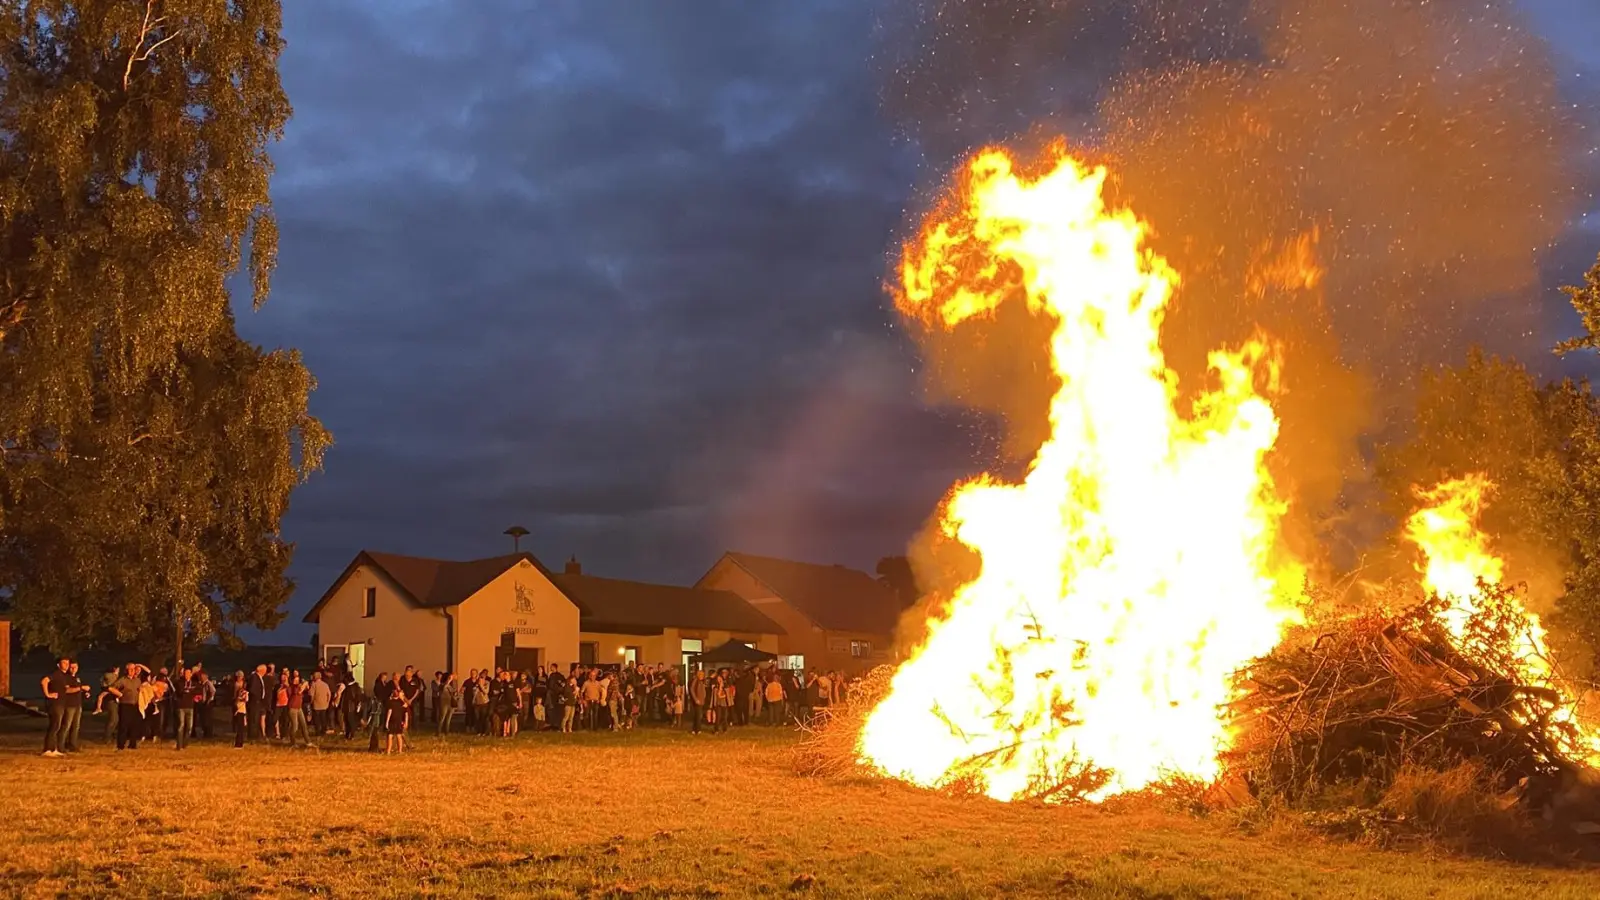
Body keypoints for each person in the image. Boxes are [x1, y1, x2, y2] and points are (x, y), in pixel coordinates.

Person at [108, 663, 149, 750]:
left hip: (135, 705)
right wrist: (119, 694)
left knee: (134, 725)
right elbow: (111, 688)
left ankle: (132, 744)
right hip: (125, 705)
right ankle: (121, 745)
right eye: (130, 669)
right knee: (123, 725)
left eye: (133, 669)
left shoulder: (137, 680)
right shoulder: (123, 680)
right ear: (126, 670)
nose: (131, 671)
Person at [41, 657, 76, 757]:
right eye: (64, 663)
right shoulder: (55, 673)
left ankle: (53, 748)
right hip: (55, 704)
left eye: (67, 663)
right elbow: (44, 681)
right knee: (54, 725)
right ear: (58, 664)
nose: (66, 665)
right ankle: (47, 749)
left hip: (62, 703)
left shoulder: (64, 676)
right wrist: (48, 694)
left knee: (58, 726)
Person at [172, 666, 199, 750]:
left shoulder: (194, 683)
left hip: (190, 707)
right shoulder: (179, 683)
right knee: (181, 725)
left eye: (188, 673)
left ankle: (185, 743)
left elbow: (196, 692)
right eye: (185, 673)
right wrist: (187, 691)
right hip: (181, 707)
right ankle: (179, 745)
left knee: (189, 727)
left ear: (191, 674)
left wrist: (191, 693)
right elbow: (180, 692)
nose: (187, 675)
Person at [231, 672, 249, 749]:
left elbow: (246, 700)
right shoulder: (236, 686)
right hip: (238, 708)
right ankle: (238, 742)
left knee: (241, 726)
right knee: (239, 726)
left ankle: (239, 743)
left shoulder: (244, 691)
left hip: (241, 709)